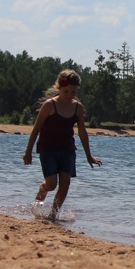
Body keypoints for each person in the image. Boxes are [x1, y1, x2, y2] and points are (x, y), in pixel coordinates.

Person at [23, 69, 102, 218]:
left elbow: (83, 133)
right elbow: (35, 130)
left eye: (73, 92)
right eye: (66, 92)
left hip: (67, 150)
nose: (69, 96)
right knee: (52, 184)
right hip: (48, 150)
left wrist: (89, 156)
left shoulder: (77, 107)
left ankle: (53, 215)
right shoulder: (49, 105)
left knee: (65, 183)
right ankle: (43, 189)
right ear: (59, 87)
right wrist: (28, 153)